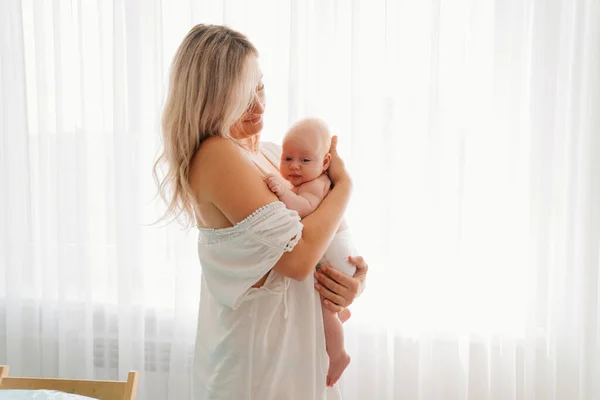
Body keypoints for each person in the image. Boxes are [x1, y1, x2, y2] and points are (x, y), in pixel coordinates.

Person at [153, 24, 368, 400]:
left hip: (293, 355)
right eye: (243, 94)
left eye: (260, 86)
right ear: (212, 98)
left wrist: (349, 284)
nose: (259, 105)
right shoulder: (216, 155)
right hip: (256, 370)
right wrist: (345, 185)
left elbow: (326, 235)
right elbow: (299, 259)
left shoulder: (269, 154)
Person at [264, 118, 358, 387]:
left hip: (337, 258)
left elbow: (303, 208)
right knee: (326, 306)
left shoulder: (316, 185)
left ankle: (338, 354)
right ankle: (341, 316)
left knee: (325, 307)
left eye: (305, 160)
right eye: (288, 157)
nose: (294, 165)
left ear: (325, 163)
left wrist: (282, 190)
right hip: (333, 252)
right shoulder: (308, 179)